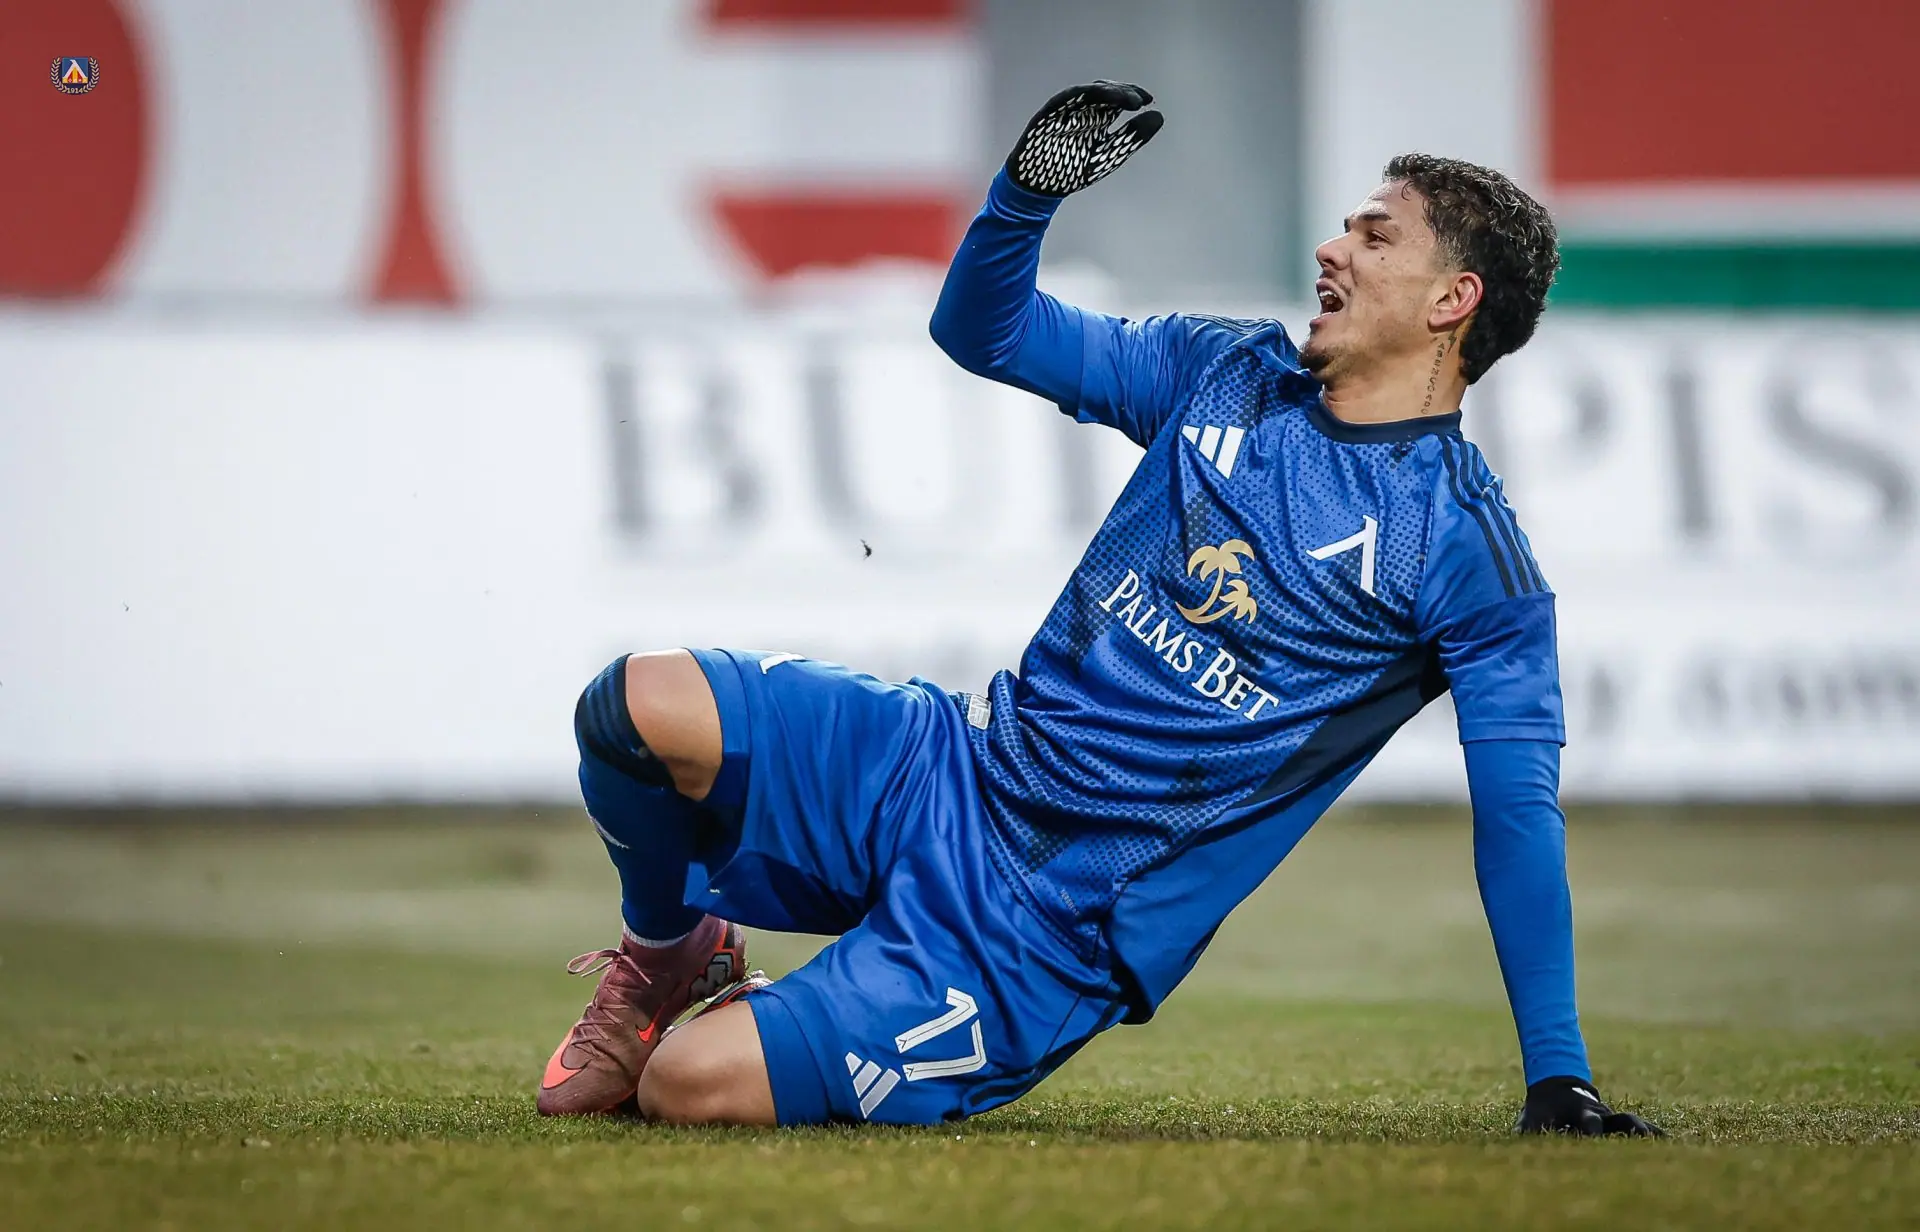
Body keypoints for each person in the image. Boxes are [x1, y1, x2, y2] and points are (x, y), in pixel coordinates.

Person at [536, 81, 1661, 1137]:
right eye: (1346, 230)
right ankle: (670, 953)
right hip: (954, 764)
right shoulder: (1226, 372)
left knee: (686, 1086)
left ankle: (790, 1016)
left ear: (1452, 301)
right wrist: (1025, 196)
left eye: (1376, 237)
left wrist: (1558, 1074)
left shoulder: (1468, 551)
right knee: (632, 705)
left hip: (1046, 925)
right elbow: (985, 332)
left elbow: (1518, 815)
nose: (1333, 250)